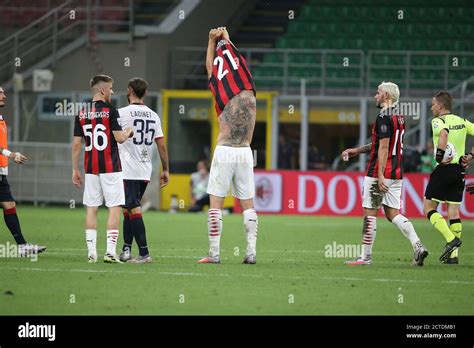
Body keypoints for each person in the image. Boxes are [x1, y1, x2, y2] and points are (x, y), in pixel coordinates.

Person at [341, 81, 428, 266]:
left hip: (378, 172)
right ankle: (418, 245)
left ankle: (365, 257)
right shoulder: (399, 117)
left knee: (369, 213)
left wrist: (380, 175)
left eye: (378, 92)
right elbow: (380, 143)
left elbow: (384, 147)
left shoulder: (383, 117)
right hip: (396, 173)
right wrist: (356, 150)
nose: (375, 95)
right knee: (393, 214)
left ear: (386, 95)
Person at [199, 26, 258, 264]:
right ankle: (251, 252)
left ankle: (214, 254)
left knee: (216, 204)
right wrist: (226, 39)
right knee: (248, 205)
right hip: (245, 152)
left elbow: (210, 70)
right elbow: (235, 59)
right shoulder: (246, 80)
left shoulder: (220, 83)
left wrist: (211, 41)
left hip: (224, 150)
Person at [72, 75, 134, 263]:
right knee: (114, 208)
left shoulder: (81, 113)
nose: (113, 91)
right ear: (102, 90)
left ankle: (91, 253)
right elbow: (120, 138)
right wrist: (128, 132)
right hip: (111, 168)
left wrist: (74, 169)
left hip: (91, 169)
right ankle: (109, 252)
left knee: (91, 209)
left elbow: (76, 145)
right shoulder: (111, 111)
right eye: (111, 88)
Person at [117, 77, 169, 263]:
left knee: (133, 208)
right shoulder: (154, 115)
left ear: (130, 90)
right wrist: (165, 169)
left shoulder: (121, 113)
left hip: (128, 169)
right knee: (128, 208)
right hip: (145, 171)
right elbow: (161, 146)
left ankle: (144, 253)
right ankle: (125, 250)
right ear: (145, 93)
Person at [423, 91, 474, 264]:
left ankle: (451, 239)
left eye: (433, 104)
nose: (431, 107)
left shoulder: (438, 121)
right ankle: (453, 256)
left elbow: (444, 134)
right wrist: (470, 156)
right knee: (453, 211)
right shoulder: (462, 121)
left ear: (440, 106)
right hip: (459, 170)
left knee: (428, 207)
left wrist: (439, 156)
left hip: (444, 170)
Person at [0, 86, 45, 257]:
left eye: (4, 92)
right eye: (0, 93)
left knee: (9, 205)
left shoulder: (1, 119)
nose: (4, 95)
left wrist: (11, 156)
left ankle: (22, 246)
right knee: (8, 205)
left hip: (1, 173)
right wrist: (11, 154)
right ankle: (23, 245)